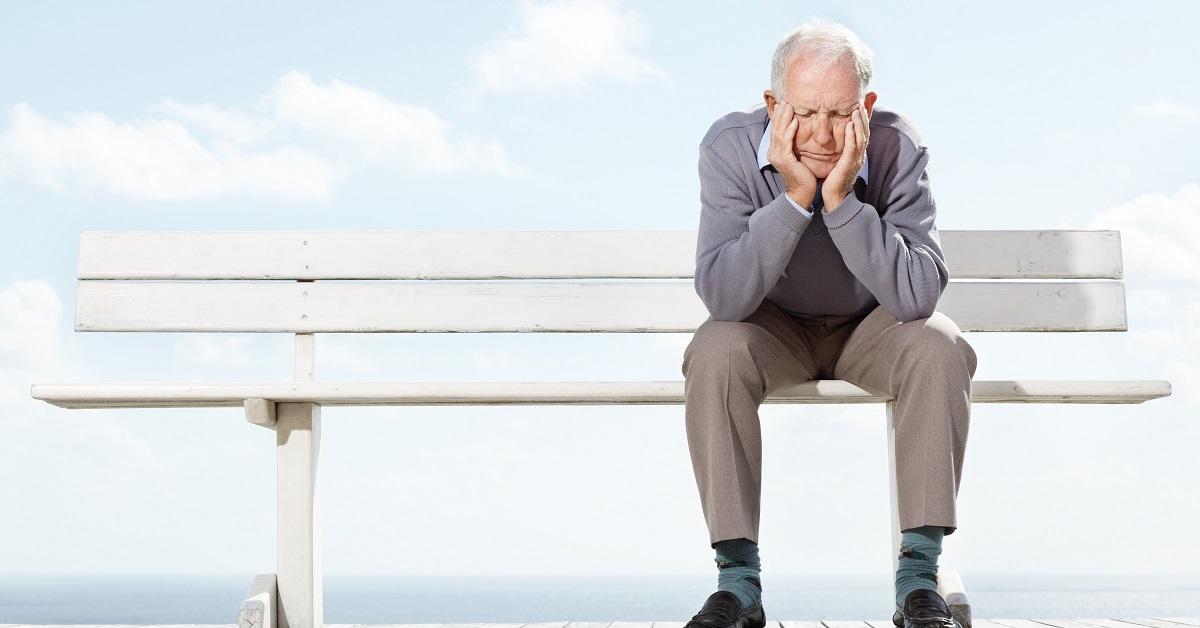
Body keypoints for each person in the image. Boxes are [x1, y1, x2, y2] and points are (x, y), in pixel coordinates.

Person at [681, 17, 977, 628]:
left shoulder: (898, 146)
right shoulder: (728, 148)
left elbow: (919, 294)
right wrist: (793, 199)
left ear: (867, 106)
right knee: (715, 347)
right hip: (773, 328)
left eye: (842, 114)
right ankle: (737, 584)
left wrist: (841, 200)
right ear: (772, 105)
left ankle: (920, 579)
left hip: (871, 330)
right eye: (804, 113)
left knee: (940, 345)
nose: (821, 134)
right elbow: (725, 296)